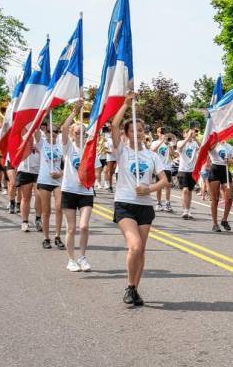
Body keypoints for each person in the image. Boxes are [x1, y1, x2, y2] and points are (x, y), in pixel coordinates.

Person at [111, 92, 168, 305]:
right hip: (125, 203)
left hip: (145, 206)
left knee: (141, 250)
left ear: (145, 133)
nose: (138, 133)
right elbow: (114, 125)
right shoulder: (121, 151)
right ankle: (129, 285)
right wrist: (126, 105)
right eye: (133, 130)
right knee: (134, 246)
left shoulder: (153, 156)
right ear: (127, 134)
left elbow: (164, 181)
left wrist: (149, 188)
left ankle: (135, 288)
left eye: (141, 130)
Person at [60, 101, 101, 272]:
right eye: (77, 132)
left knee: (83, 226)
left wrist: (91, 179)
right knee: (71, 228)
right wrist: (75, 111)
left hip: (85, 191)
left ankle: (82, 257)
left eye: (83, 132)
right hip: (69, 190)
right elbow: (63, 128)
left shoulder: (90, 150)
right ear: (73, 134)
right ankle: (71, 260)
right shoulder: (68, 147)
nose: (80, 135)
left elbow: (97, 169)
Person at [36, 126, 65, 249]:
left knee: (59, 208)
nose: (52, 134)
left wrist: (60, 174)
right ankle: (46, 238)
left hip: (58, 181)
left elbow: (67, 165)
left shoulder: (61, 146)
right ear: (46, 133)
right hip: (44, 180)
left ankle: (58, 236)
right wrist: (44, 112)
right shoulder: (42, 143)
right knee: (46, 211)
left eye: (55, 132)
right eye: (50, 132)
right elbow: (35, 130)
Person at [208, 139, 233, 232]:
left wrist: (231, 160)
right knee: (215, 199)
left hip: (225, 170)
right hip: (215, 169)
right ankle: (215, 223)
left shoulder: (229, 146)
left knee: (229, 197)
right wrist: (216, 142)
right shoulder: (214, 144)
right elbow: (209, 149)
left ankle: (224, 220)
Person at [15, 137, 41, 232]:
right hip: (25, 169)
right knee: (26, 197)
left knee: (39, 196)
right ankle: (25, 221)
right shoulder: (22, 135)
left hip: (39, 170)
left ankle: (38, 219)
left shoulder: (40, 135)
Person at [176, 128, 200, 219]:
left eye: (191, 133)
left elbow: (202, 147)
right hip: (183, 170)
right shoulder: (180, 142)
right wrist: (188, 137)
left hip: (192, 171)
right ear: (184, 134)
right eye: (188, 133)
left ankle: (188, 210)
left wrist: (195, 138)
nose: (190, 135)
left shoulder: (194, 143)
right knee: (184, 190)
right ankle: (185, 210)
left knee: (189, 191)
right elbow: (180, 147)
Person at [150, 127, 174, 212]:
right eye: (159, 132)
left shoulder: (168, 143)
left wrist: (169, 145)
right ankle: (159, 203)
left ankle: (167, 203)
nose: (161, 133)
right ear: (157, 133)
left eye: (163, 132)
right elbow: (152, 150)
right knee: (159, 186)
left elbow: (173, 154)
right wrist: (161, 141)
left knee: (168, 185)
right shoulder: (155, 142)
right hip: (158, 167)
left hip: (167, 166)